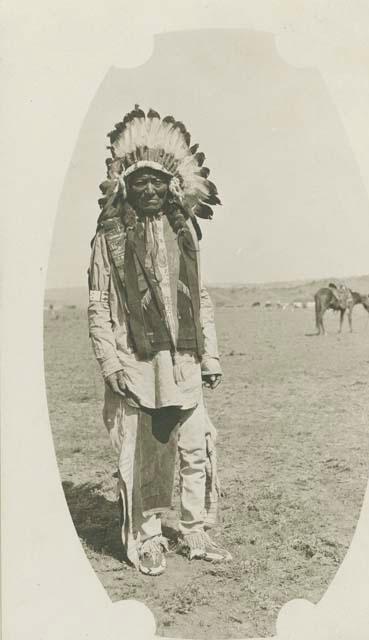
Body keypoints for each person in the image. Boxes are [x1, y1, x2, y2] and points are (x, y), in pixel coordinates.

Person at [87, 106, 232, 576]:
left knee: (196, 445)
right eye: (140, 181)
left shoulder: (184, 232)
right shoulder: (108, 238)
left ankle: (194, 530)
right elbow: (98, 308)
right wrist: (112, 367)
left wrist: (209, 355)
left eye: (158, 181)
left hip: (185, 360)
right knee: (144, 450)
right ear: (126, 186)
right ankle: (147, 536)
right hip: (136, 361)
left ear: (172, 186)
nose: (150, 189)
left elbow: (200, 296)